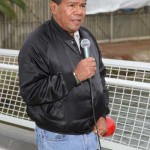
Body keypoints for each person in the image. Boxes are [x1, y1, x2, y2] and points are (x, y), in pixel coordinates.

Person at [18, 0, 109, 149]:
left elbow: (100, 78)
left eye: (82, 5)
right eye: (71, 5)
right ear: (54, 7)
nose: (79, 11)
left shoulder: (87, 37)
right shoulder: (36, 42)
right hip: (58, 139)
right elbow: (30, 92)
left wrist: (101, 114)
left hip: (91, 134)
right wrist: (73, 77)